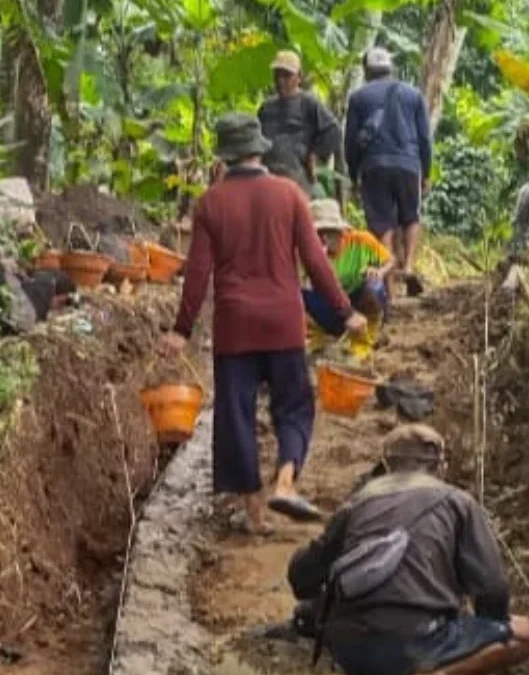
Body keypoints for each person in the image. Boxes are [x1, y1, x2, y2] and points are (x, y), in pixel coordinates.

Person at [158, 112, 367, 535]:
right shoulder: (289, 195)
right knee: (294, 404)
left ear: (225, 156)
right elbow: (315, 262)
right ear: (259, 149)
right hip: (283, 322)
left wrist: (181, 329)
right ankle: (286, 481)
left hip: (235, 325)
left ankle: (253, 511)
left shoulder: (210, 203)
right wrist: (346, 312)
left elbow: (197, 274)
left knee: (236, 415)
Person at [288, 424, 529, 675]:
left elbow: (302, 577)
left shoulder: (357, 502)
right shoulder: (458, 501)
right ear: (439, 466)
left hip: (351, 648)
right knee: (525, 633)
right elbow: (493, 589)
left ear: (386, 466)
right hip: (419, 642)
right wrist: (485, 627)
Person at [344, 47, 432, 297]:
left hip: (374, 165)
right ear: (389, 68)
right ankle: (409, 266)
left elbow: (350, 141)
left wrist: (354, 174)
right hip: (409, 163)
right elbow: (425, 138)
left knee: (383, 222)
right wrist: (425, 172)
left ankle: (389, 284)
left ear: (367, 70)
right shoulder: (413, 94)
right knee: (411, 216)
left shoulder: (359, 97)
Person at [304, 198, 393, 362]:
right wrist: (319, 262)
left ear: (340, 231)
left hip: (357, 297)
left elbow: (390, 260)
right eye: (319, 234)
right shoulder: (307, 253)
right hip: (330, 304)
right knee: (301, 294)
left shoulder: (361, 240)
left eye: (329, 232)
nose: (324, 239)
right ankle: (319, 337)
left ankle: (368, 337)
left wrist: (379, 272)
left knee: (374, 286)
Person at [257, 50, 341, 197]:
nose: (281, 81)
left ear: (299, 77)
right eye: (277, 75)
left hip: (298, 175)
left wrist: (315, 156)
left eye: (287, 76)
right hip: (269, 174)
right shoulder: (266, 107)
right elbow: (256, 137)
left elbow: (333, 131)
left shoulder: (308, 103)